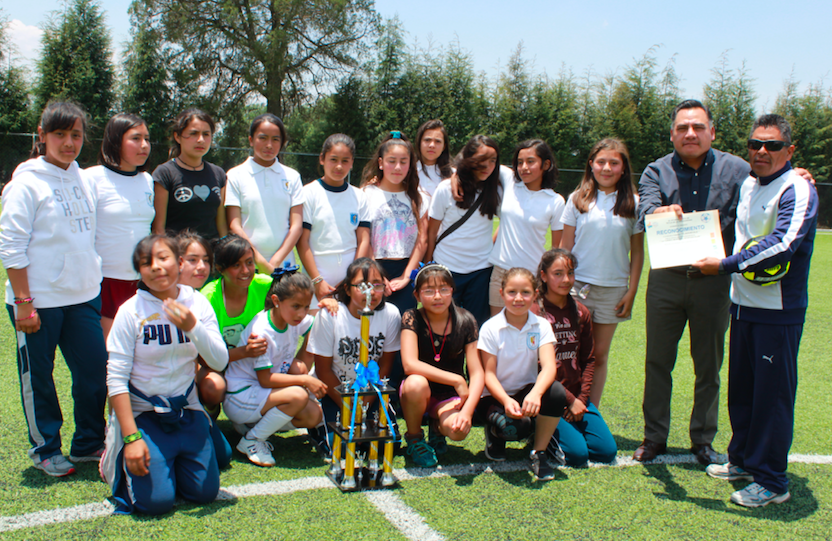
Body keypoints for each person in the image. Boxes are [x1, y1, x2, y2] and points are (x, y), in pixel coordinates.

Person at [694, 114, 817, 508]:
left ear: (789, 150)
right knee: (743, 391)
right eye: (755, 144)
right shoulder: (749, 183)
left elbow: (783, 244)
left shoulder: (797, 188)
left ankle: (772, 480)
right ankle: (744, 460)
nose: (762, 151)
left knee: (772, 397)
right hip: (743, 305)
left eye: (772, 145)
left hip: (778, 311)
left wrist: (724, 266)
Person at [634, 99, 756, 465]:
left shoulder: (739, 170)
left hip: (714, 281)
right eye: (683, 128)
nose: (691, 133)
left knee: (709, 365)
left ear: (712, 132)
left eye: (698, 127)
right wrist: (658, 211)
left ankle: (702, 439)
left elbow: (769, 189)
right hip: (667, 280)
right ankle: (654, 437)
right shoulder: (656, 170)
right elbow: (645, 209)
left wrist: (797, 175)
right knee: (658, 362)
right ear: (672, 133)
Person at [0, 101, 107, 477]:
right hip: (38, 303)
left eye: (75, 135)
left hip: (82, 298)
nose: (68, 143)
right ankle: (46, 448)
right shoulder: (26, 184)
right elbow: (11, 246)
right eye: (60, 134)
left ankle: (88, 443)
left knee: (95, 372)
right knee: (39, 380)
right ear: (42, 136)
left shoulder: (82, 176)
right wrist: (24, 303)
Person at [103, 235, 228, 515]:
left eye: (163, 258)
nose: (157, 267)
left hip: (186, 409)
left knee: (205, 493)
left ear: (179, 262)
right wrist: (131, 439)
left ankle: (176, 458)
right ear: (140, 272)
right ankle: (121, 454)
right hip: (144, 414)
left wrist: (193, 326)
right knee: (155, 503)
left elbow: (219, 360)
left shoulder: (196, 303)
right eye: (146, 263)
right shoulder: (130, 311)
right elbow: (116, 380)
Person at [560, 138, 643, 407]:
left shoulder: (635, 203)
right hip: (576, 288)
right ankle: (564, 408)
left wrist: (631, 291)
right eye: (601, 162)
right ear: (591, 165)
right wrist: (559, 285)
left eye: (614, 163)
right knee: (569, 352)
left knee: (598, 356)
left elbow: (638, 253)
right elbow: (565, 248)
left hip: (613, 290)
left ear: (623, 167)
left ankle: (589, 411)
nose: (606, 168)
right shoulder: (577, 199)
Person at [224, 267, 327, 467]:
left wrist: (328, 305)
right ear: (277, 301)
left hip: (263, 393)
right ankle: (252, 440)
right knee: (298, 394)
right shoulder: (261, 331)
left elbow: (317, 324)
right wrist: (305, 380)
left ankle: (252, 425)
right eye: (296, 306)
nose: (301, 313)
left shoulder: (291, 317)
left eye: (306, 307)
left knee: (314, 414)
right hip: (241, 395)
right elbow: (265, 379)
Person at [476, 267, 567, 481]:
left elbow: (549, 367)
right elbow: (488, 374)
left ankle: (539, 452)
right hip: (494, 397)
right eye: (512, 292)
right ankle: (494, 433)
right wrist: (506, 400)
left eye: (525, 292)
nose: (518, 298)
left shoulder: (541, 325)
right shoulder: (490, 328)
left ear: (535, 294)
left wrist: (535, 394)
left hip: (525, 393)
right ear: (501, 294)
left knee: (555, 392)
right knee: (516, 429)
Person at [537, 249, 617, 466]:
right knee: (577, 455)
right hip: (548, 396)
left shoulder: (581, 312)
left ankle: (568, 427)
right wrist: (569, 401)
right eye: (558, 273)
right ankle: (539, 431)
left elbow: (589, 360)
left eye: (570, 274)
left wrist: (581, 400)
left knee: (606, 452)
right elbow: (535, 366)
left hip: (578, 396)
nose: (566, 280)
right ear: (543, 275)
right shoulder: (534, 313)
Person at [307, 258, 402, 437]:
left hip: (371, 391)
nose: (370, 292)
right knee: (342, 446)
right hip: (335, 391)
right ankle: (318, 428)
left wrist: (364, 404)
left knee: (383, 445)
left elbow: (385, 365)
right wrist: (350, 405)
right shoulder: (330, 316)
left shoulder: (390, 314)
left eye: (377, 285)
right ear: (347, 289)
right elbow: (323, 369)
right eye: (362, 286)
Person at [400, 263, 482, 467]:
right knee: (415, 383)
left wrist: (467, 411)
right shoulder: (412, 317)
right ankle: (415, 438)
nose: (437, 296)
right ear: (417, 295)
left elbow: (478, 372)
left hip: (448, 398)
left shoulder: (466, 320)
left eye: (444, 289)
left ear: (452, 291)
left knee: (458, 432)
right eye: (429, 291)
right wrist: (456, 379)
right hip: (418, 393)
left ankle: (438, 428)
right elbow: (409, 365)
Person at [88, 113, 155, 340]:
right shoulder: (92, 178)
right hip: (105, 281)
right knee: (110, 356)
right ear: (115, 140)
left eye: (147, 138)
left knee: (139, 354)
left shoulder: (147, 180)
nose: (144, 145)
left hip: (142, 281)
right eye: (135, 138)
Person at [426, 135, 502, 327]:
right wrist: (428, 265)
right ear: (468, 160)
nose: (487, 166)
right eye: (480, 160)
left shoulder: (497, 190)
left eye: (493, 161)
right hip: (446, 268)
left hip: (480, 272)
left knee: (475, 328)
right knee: (443, 327)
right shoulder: (445, 189)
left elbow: (508, 221)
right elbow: (432, 230)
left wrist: (492, 244)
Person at [489, 139, 565, 317]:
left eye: (530, 161)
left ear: (545, 164)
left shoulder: (555, 201)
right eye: (519, 162)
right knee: (496, 331)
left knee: (527, 335)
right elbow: (479, 159)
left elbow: (557, 249)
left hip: (531, 276)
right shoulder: (509, 182)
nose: (524, 167)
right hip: (500, 273)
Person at [198, 235, 271, 413]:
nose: (246, 271)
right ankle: (210, 414)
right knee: (213, 388)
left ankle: (255, 420)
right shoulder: (207, 298)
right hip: (216, 365)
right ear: (220, 268)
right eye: (236, 265)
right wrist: (244, 352)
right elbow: (204, 358)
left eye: (249, 262)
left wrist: (327, 302)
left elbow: (298, 290)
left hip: (254, 364)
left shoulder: (264, 285)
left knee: (295, 368)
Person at [297, 134, 370, 307]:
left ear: (352, 163)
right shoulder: (309, 193)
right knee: (316, 330)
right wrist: (317, 281)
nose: (339, 166)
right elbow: (302, 241)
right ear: (322, 159)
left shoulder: (359, 196)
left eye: (345, 161)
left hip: (351, 279)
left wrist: (352, 278)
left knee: (349, 331)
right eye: (333, 159)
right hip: (318, 277)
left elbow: (364, 240)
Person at [225, 114, 304, 274]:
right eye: (263, 138)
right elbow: (234, 225)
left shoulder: (292, 176)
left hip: (284, 265)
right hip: (246, 266)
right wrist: (258, 261)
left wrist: (275, 262)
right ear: (251, 140)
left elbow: (296, 225)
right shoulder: (235, 175)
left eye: (275, 139)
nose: (269, 145)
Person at [360, 131, 428, 314]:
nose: (397, 167)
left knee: (404, 329)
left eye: (403, 162)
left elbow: (422, 242)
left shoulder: (419, 197)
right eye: (391, 161)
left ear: (410, 165)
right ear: (381, 163)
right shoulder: (365, 194)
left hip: (406, 271)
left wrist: (407, 276)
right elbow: (363, 238)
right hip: (373, 268)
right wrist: (377, 275)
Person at [152, 108, 227, 240]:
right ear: (177, 136)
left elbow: (221, 225)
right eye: (193, 133)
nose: (200, 140)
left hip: (211, 256)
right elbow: (158, 229)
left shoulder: (218, 173)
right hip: (179, 255)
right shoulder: (164, 173)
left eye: (206, 134)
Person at [414, 120, 453, 197]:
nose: (432, 145)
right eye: (427, 140)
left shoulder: (453, 175)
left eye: (438, 141)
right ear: (419, 143)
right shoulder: (407, 172)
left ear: (444, 147)